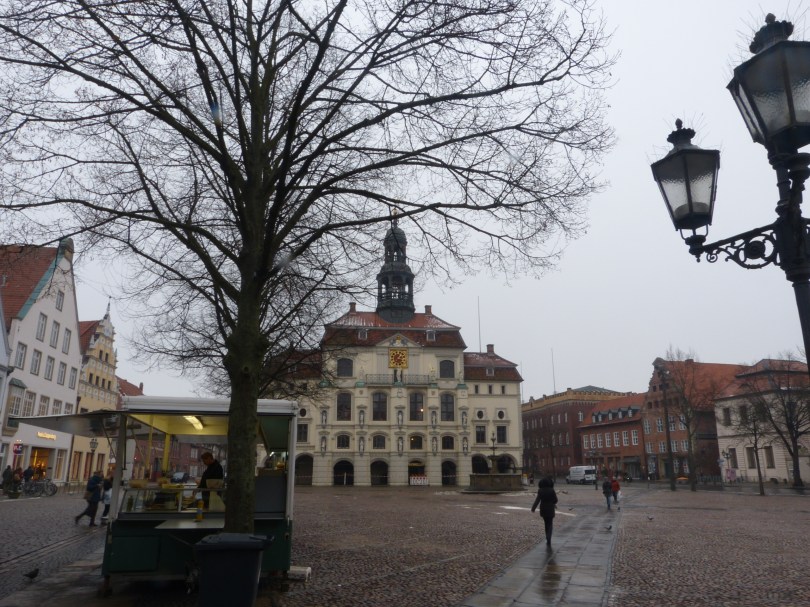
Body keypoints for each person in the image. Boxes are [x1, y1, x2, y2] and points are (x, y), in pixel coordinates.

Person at [530, 476, 558, 547]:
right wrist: (552, 502)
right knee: (550, 523)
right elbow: (555, 500)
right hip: (550, 509)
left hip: (543, 509)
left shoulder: (540, 490)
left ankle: (547, 537)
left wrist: (533, 508)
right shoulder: (552, 490)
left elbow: (537, 500)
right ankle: (549, 537)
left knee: (546, 523)